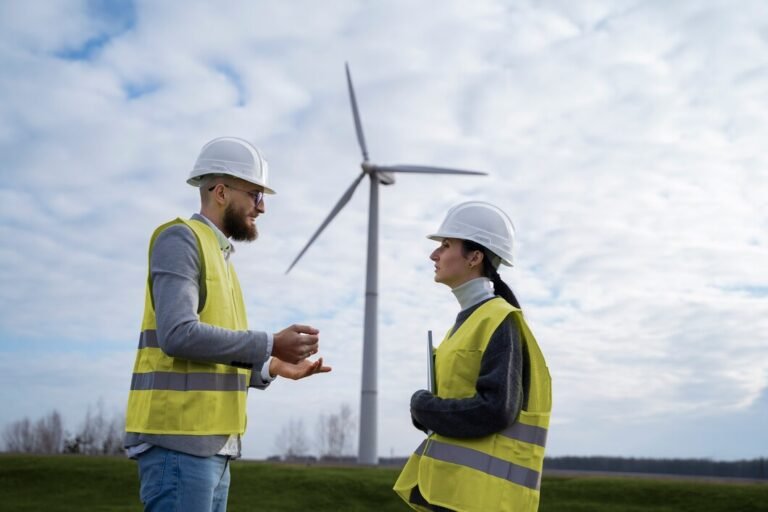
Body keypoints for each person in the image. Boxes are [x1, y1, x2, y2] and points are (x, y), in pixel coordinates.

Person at [124, 136, 331, 512]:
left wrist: (272, 366)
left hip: (213, 449)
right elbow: (177, 335)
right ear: (221, 192)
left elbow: (216, 352)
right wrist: (270, 343)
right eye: (255, 194)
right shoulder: (180, 239)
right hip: (180, 445)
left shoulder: (222, 259)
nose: (262, 207)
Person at [393, 201, 552, 512]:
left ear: (475, 257)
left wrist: (423, 406)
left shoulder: (498, 320)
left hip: (482, 500)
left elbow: (495, 410)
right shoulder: (470, 321)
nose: (434, 255)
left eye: (446, 244)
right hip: (456, 494)